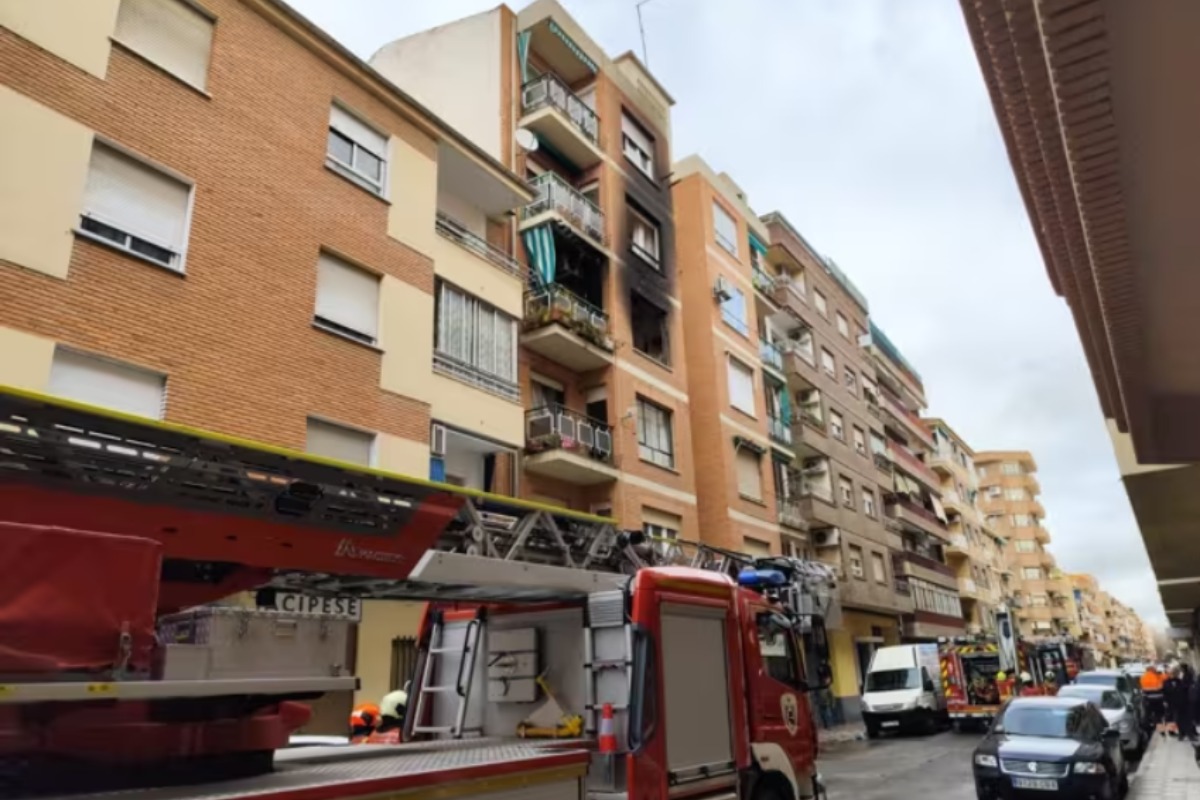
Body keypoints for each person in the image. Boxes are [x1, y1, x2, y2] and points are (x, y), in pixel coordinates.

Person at [1142, 664, 1166, 735]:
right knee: (1158, 716)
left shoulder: (1143, 677)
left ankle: (1150, 729)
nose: (1156, 669)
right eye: (1154, 669)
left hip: (1149, 700)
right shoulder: (1156, 676)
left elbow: (1144, 689)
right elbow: (1161, 685)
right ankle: (1161, 730)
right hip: (1157, 700)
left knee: (1150, 716)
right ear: (1151, 669)